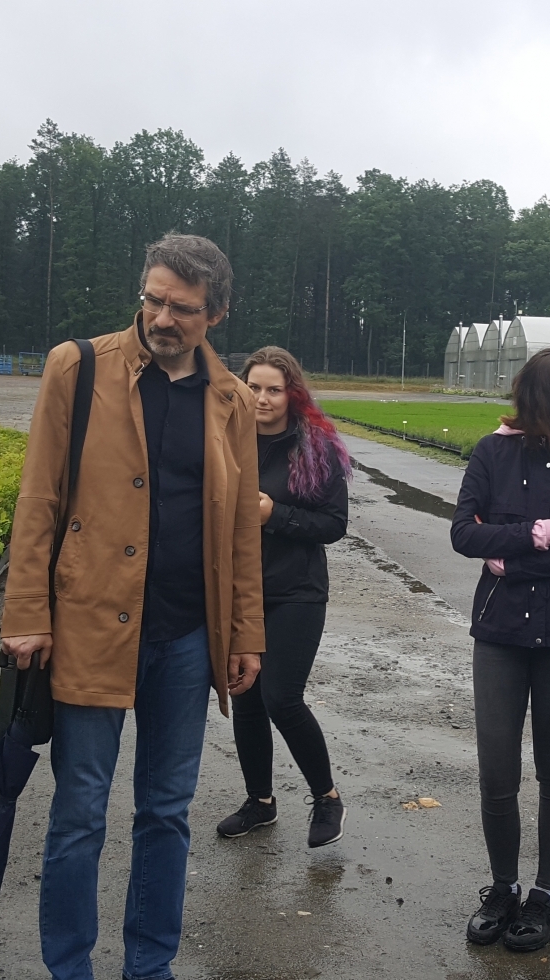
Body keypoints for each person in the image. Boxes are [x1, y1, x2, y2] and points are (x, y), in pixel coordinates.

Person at [1, 234, 265, 980]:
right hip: (89, 622)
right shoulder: (78, 368)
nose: (162, 317)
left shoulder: (231, 399)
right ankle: (69, 968)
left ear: (214, 313)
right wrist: (26, 610)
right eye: (153, 300)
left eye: (182, 308)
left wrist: (245, 632)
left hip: (186, 637)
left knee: (166, 814)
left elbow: (242, 524)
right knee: (80, 812)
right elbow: (39, 496)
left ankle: (149, 966)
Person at [451, 346, 550, 953]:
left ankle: (546, 896)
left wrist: (510, 556)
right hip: (498, 634)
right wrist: (538, 534)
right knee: (497, 767)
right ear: (536, 400)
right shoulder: (493, 450)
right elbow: (463, 531)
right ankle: (502, 887)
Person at [217, 346, 351, 848]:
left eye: (274, 389)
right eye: (254, 387)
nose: (263, 398)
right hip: (239, 589)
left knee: (281, 696)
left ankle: (327, 797)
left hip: (296, 591)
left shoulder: (314, 449)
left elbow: (334, 525)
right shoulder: (229, 441)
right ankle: (260, 802)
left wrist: (276, 515)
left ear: (291, 394)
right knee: (244, 697)